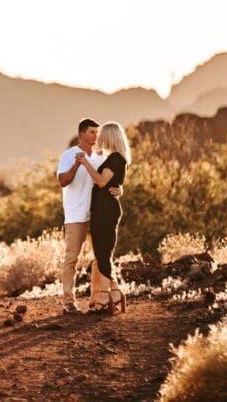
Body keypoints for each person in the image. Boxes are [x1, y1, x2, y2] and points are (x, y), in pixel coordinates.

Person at [79, 121, 130, 315]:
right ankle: (102, 298)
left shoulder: (116, 158)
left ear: (110, 137)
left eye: (102, 136)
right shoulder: (114, 158)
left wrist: (85, 164)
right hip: (102, 210)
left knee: (102, 254)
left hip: (106, 211)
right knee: (101, 255)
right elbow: (114, 183)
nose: (98, 139)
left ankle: (114, 293)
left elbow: (101, 182)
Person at [56, 118, 106, 314]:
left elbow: (106, 180)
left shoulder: (100, 157)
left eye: (97, 132)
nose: (96, 135)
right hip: (76, 215)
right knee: (71, 259)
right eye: (92, 132)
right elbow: (63, 181)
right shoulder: (68, 156)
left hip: (96, 215)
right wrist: (77, 165)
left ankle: (97, 300)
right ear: (81, 134)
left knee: (101, 257)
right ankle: (69, 302)